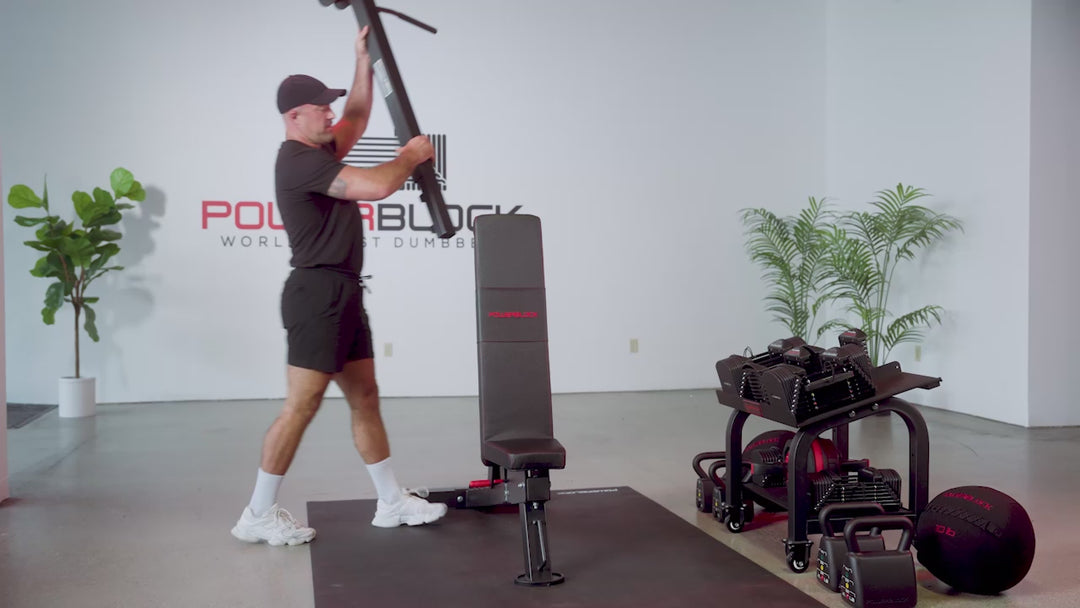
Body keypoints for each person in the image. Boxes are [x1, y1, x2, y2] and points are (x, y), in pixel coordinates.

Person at [231, 26, 447, 546]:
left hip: (344, 291)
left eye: (328, 107)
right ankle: (256, 514)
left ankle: (392, 503)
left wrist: (362, 61)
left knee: (365, 397)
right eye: (320, 109)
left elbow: (356, 115)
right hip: (316, 295)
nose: (331, 115)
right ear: (293, 117)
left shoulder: (321, 148)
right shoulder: (298, 161)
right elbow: (374, 187)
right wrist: (411, 155)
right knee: (300, 407)